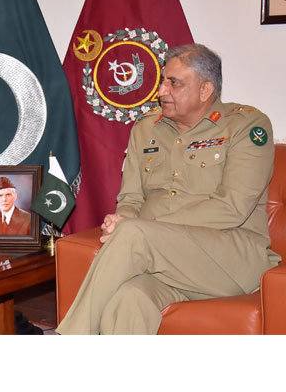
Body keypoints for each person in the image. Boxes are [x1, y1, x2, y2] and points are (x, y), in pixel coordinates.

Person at [57, 43, 281, 334]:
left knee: (134, 234)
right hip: (166, 263)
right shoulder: (146, 128)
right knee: (129, 300)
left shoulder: (246, 126)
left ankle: (70, 339)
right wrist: (123, 217)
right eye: (164, 81)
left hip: (229, 259)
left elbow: (232, 208)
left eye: (174, 83)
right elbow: (131, 198)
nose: (161, 90)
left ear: (205, 90)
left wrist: (142, 228)